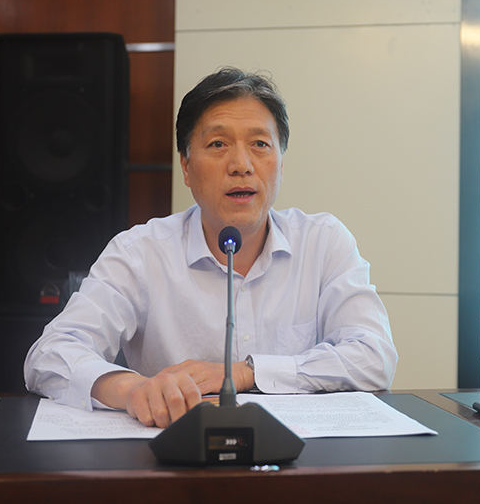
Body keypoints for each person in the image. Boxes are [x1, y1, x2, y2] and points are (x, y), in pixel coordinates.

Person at [24, 67, 397, 428]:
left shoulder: (324, 242)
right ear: (186, 167)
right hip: (176, 456)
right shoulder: (139, 253)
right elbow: (50, 354)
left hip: (297, 460)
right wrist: (133, 389)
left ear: (281, 165)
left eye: (260, 144)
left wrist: (246, 372)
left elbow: (374, 355)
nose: (241, 165)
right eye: (218, 144)